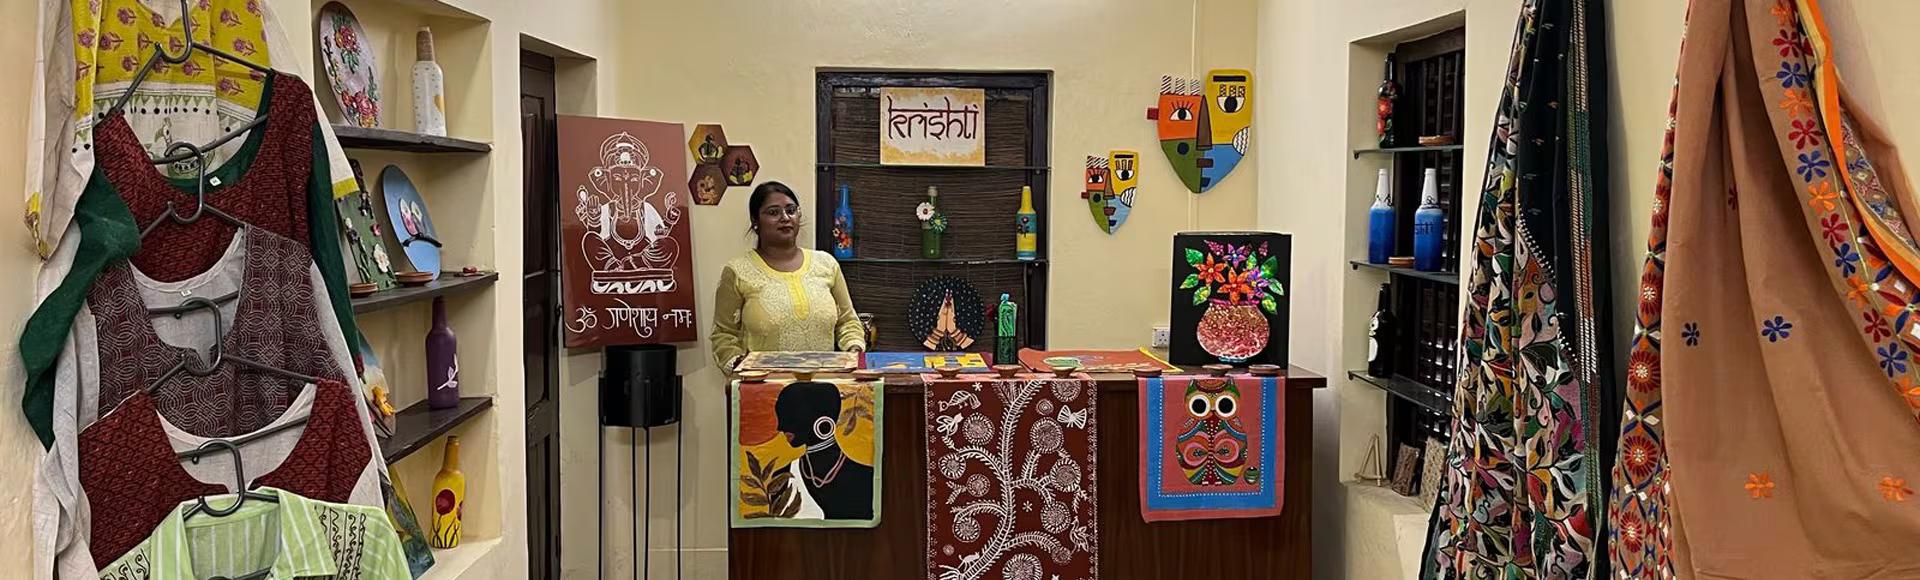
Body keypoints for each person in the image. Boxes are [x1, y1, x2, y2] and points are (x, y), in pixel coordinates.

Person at [710, 182, 867, 370]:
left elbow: (848, 322)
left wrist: (854, 349)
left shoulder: (826, 264)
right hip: (762, 390)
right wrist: (741, 370)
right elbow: (723, 335)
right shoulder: (738, 271)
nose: (785, 218)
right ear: (755, 221)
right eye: (774, 212)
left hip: (824, 386)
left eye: (791, 210)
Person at [771, 381, 874, 520]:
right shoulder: (782, 477)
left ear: (822, 421)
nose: (780, 428)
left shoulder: (865, 479)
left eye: (792, 416)